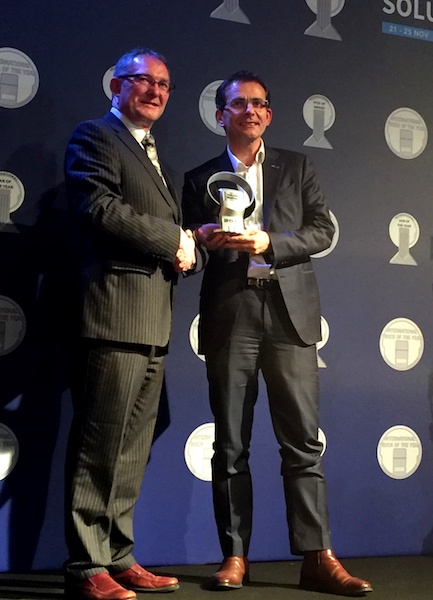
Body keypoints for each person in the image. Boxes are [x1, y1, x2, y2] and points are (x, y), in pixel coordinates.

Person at [182, 71, 373, 596]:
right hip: (231, 312)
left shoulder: (297, 166)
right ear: (220, 114)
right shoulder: (199, 179)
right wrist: (198, 238)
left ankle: (318, 557)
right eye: (239, 103)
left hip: (289, 314)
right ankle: (234, 556)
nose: (251, 110)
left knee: (303, 443)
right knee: (230, 443)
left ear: (268, 114)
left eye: (259, 103)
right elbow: (193, 250)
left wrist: (270, 242)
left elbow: (322, 230)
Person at [64, 47, 195, 600]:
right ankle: (86, 566)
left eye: (164, 84)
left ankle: (118, 555)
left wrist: (190, 248)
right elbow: (99, 209)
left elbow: (167, 234)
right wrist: (173, 240)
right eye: (143, 80)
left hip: (153, 322)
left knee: (131, 451)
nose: (155, 90)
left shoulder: (155, 154)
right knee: (100, 446)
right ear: (116, 86)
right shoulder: (96, 136)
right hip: (114, 316)